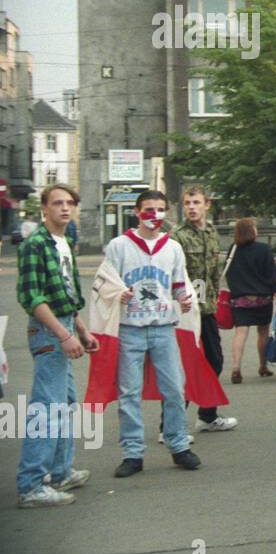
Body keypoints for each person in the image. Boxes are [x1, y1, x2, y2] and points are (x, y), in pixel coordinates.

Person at [102, 190, 201, 477]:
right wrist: (116, 293)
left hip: (163, 328)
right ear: (137, 211)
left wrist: (184, 299)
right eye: (148, 209)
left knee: (174, 389)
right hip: (130, 329)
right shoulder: (119, 246)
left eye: (160, 210)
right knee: (129, 393)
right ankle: (133, 453)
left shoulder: (172, 247)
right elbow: (105, 283)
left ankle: (178, 445)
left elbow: (179, 283)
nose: (154, 216)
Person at [14, 183, 97, 507]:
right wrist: (63, 335)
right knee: (47, 409)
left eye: (70, 203)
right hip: (48, 331)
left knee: (65, 404)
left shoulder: (65, 241)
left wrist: (81, 329)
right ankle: (31, 484)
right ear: (44, 209)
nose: (65, 208)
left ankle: (61, 471)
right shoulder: (35, 244)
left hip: (63, 325)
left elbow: (67, 295)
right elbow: (31, 298)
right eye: (57, 203)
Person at [174, 185, 237, 432]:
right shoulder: (177, 236)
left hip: (207, 310)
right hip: (185, 313)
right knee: (185, 367)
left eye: (196, 203)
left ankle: (207, 416)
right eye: (187, 203)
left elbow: (213, 273)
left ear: (207, 205)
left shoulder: (211, 232)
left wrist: (218, 301)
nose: (191, 208)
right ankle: (170, 424)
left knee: (214, 361)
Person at [225, 217, 276, 385]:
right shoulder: (264, 249)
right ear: (252, 231)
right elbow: (272, 275)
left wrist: (237, 290)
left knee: (240, 333)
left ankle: (236, 368)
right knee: (263, 332)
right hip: (262, 299)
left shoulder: (233, 249)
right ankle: (263, 366)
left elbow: (229, 273)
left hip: (240, 299)